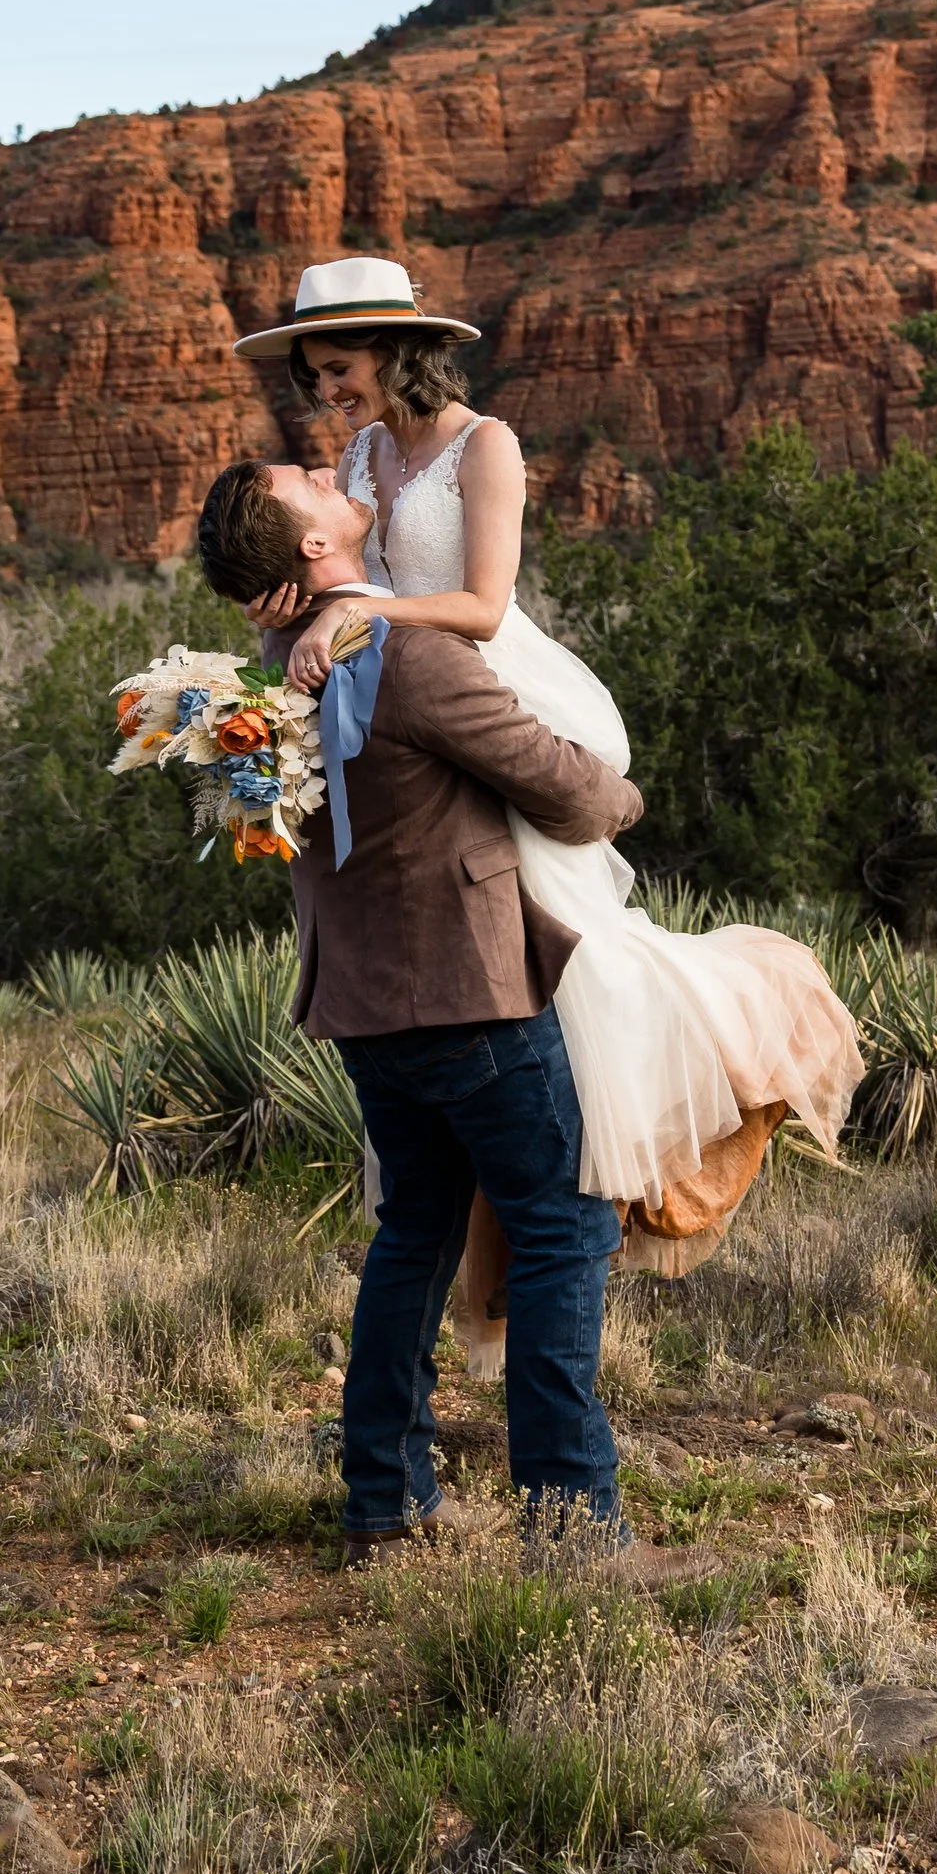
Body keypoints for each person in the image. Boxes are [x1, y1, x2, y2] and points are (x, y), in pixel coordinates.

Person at [223, 257, 862, 1243]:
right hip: (403, 713)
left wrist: (354, 616)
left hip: (492, 690)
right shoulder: (353, 464)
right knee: (478, 935)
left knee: (567, 950)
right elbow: (329, 572)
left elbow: (479, 607)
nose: (326, 391)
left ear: (397, 350)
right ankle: (515, 1195)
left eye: (339, 365)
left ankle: (630, 1164)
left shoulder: (485, 446)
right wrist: (298, 610)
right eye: (312, 373)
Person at [194, 442, 638, 1554]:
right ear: (311, 543)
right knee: (559, 1232)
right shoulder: (404, 653)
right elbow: (555, 784)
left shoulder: (274, 659)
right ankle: (569, 1525)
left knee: (414, 1236)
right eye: (300, 480)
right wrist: (622, 795)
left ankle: (384, 1502)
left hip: (362, 999)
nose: (317, 460)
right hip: (467, 993)